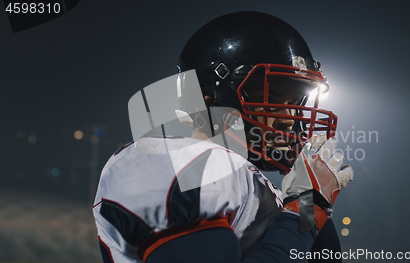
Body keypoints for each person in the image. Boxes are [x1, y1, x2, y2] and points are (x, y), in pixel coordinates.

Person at [93, 11, 354, 263]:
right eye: (271, 99)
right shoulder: (165, 162)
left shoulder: (260, 186)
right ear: (209, 98)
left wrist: (310, 204)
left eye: (295, 103)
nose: (288, 117)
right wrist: (303, 206)